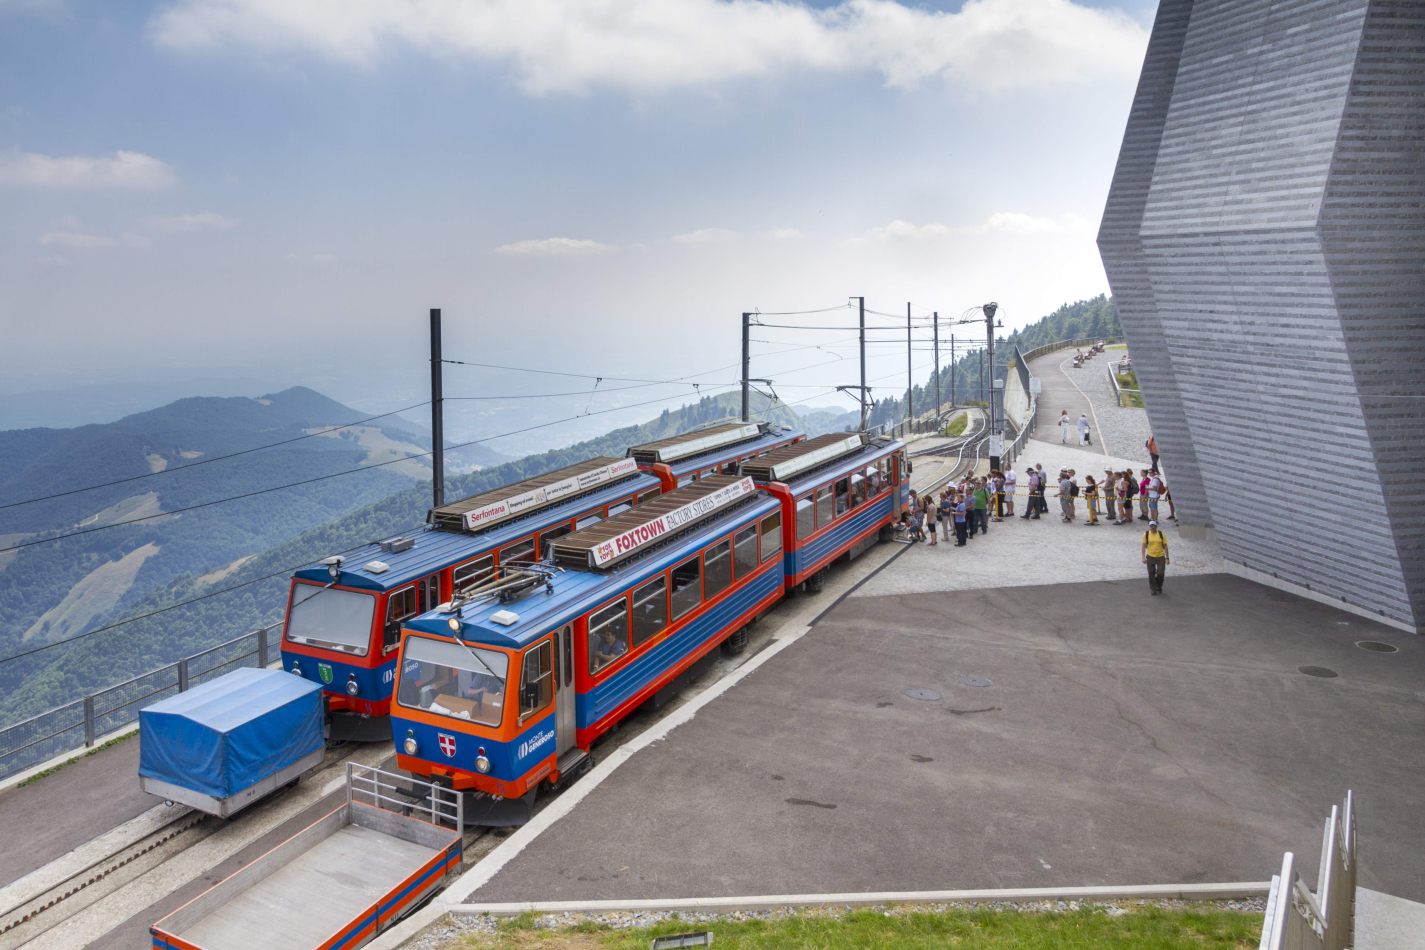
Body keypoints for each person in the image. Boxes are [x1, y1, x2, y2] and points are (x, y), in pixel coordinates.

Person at [1142, 520, 1169, 594]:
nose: (1152, 528)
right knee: (1151, 573)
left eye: (1153, 526)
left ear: (1156, 526)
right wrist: (1143, 557)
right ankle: (1153, 588)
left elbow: (1165, 546)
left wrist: (1167, 558)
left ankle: (1158, 586)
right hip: (1150, 556)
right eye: (1151, 526)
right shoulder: (1146, 534)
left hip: (1160, 556)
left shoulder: (1161, 534)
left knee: (1160, 573)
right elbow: (1143, 546)